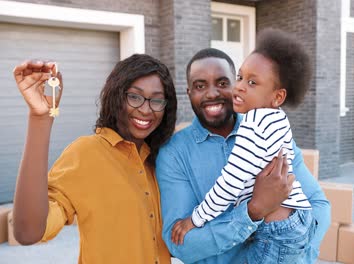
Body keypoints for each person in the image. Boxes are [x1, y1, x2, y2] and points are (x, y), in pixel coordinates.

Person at [156, 35, 331, 263]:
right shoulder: (174, 153)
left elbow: (318, 206)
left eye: (222, 83)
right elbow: (180, 244)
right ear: (189, 93)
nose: (211, 93)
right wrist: (254, 211)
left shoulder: (265, 132)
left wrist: (298, 256)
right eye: (200, 86)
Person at [12, 54, 176, 264]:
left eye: (157, 100)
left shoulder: (160, 160)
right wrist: (40, 118)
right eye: (134, 97)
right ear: (116, 96)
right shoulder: (86, 153)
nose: (146, 109)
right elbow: (28, 232)